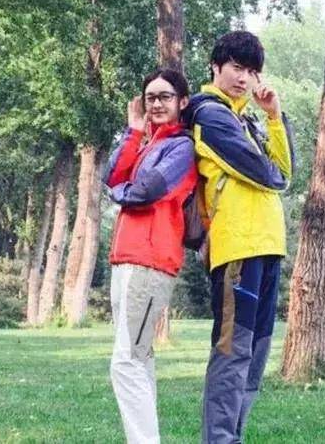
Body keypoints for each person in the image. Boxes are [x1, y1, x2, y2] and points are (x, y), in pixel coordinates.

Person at [183, 31, 294, 443]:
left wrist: (274, 117)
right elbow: (269, 174)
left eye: (252, 71)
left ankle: (233, 437)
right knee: (233, 351)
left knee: (256, 354)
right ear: (216, 67)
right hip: (237, 247)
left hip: (268, 244)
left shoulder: (247, 118)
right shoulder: (209, 114)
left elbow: (286, 171)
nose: (244, 78)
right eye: (236, 67)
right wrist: (273, 171)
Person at [104, 68, 197, 444]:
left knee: (126, 361)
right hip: (127, 258)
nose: (157, 103)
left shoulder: (181, 147)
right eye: (151, 97)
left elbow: (145, 191)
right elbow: (112, 175)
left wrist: (118, 193)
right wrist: (133, 130)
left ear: (182, 102)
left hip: (149, 260)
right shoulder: (147, 145)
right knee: (137, 358)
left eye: (165, 96)